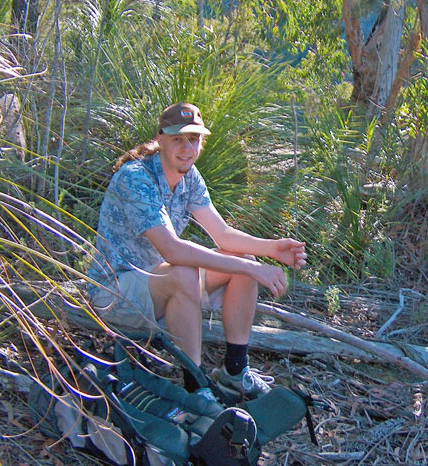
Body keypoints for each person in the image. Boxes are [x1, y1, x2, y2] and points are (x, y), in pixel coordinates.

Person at [88, 102, 307, 400]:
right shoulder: (136, 177)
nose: (186, 147)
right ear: (160, 139)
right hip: (116, 291)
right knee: (186, 273)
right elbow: (172, 250)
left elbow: (222, 234)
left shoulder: (189, 177)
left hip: (159, 284)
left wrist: (272, 249)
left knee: (241, 261)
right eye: (178, 139)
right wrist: (253, 269)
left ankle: (235, 371)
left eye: (194, 139)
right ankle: (197, 389)